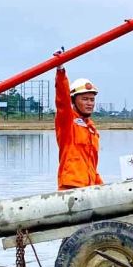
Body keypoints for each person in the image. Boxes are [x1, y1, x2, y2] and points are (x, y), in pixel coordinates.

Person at [53, 61, 102, 189]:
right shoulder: (67, 122)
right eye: (84, 99)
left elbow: (91, 166)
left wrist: (103, 187)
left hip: (90, 188)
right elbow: (62, 102)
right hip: (71, 187)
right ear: (73, 101)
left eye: (92, 99)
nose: (89, 103)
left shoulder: (92, 129)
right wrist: (60, 71)